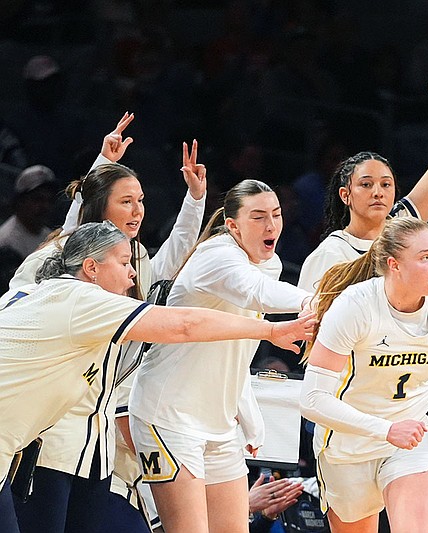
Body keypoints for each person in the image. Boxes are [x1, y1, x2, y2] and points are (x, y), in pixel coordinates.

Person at [0, 221, 315, 533]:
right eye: (124, 262)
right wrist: (270, 330)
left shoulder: (33, 294)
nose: (133, 273)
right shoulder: (82, 299)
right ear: (91, 267)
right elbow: (185, 325)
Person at [9, 113, 208, 533]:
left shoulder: (134, 258)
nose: (137, 211)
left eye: (141, 201)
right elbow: (23, 302)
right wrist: (101, 164)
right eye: (126, 201)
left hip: (97, 442)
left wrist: (193, 201)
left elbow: (169, 263)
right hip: (49, 433)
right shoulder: (60, 255)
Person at [128, 179, 314, 533]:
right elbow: (256, 291)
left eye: (276, 215)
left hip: (219, 422)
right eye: (258, 217)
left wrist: (248, 415)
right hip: (168, 415)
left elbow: (235, 353)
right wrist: (315, 301)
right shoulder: (215, 255)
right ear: (232, 225)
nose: (271, 226)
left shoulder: (270, 263)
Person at [300, 217, 428, 533]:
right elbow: (312, 400)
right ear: (394, 265)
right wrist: (386, 429)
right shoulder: (355, 307)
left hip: (417, 432)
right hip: (350, 443)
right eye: (425, 257)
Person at [297, 37, 428, 293]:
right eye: (366, 184)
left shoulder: (402, 224)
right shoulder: (330, 254)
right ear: (345, 195)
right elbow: (308, 316)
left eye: (386, 184)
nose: (378, 192)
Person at [0, 165, 58, 260]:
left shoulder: (51, 238)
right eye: (37, 199)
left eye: (50, 200)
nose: (45, 206)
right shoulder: (6, 243)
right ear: (20, 201)